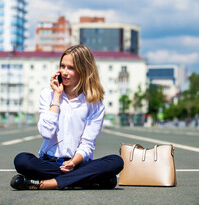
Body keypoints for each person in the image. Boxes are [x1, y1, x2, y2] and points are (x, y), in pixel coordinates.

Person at [10, 45, 124, 190]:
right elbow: (46, 133)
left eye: (71, 68)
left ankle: (47, 184)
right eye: (62, 66)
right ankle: (84, 181)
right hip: (49, 163)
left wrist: (73, 162)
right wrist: (56, 96)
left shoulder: (95, 103)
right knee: (22, 160)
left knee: (116, 161)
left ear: (84, 71)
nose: (64, 72)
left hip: (78, 164)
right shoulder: (47, 95)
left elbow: (87, 143)